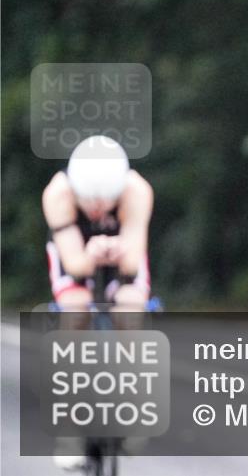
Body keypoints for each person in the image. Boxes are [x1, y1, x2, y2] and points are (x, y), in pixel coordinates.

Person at [41, 135, 154, 470]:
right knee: (74, 312)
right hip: (74, 248)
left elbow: (133, 262)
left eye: (105, 202)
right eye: (88, 201)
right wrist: (89, 255)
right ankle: (71, 433)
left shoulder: (137, 191)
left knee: (131, 310)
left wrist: (119, 253)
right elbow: (74, 264)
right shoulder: (57, 194)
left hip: (124, 246)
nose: (96, 209)